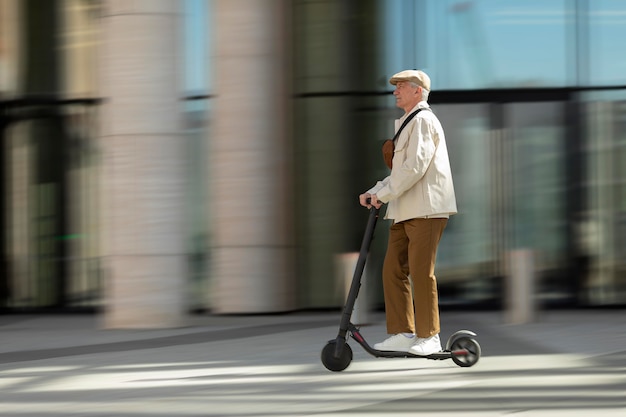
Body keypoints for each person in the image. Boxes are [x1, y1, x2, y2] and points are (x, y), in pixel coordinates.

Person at [359, 69, 457, 355]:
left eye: (401, 86)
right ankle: (403, 332)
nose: (395, 91)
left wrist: (383, 195)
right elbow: (402, 171)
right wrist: (376, 191)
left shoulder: (424, 121)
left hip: (426, 210)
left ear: (418, 91)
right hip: (405, 210)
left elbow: (415, 168)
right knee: (392, 270)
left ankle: (430, 336)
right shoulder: (407, 123)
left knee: (420, 272)